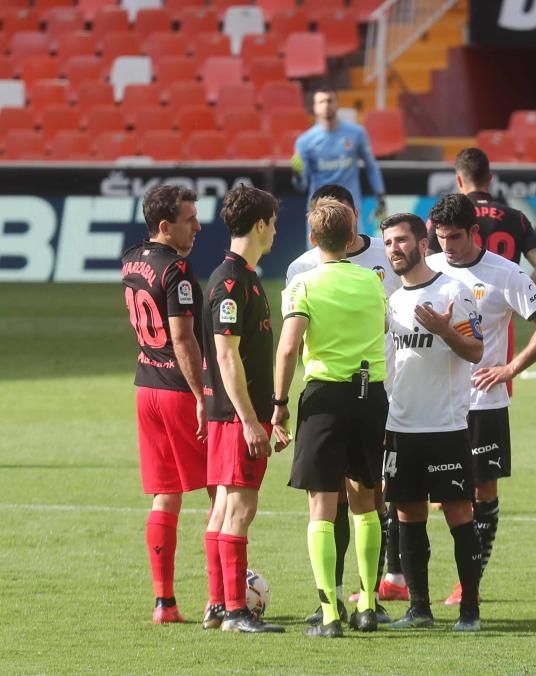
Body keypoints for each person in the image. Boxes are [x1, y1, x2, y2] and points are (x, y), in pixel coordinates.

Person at [426, 193, 536, 605]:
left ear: (473, 232)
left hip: (483, 404)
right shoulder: (428, 268)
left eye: (453, 237)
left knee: (482, 493)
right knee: (418, 495)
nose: (446, 246)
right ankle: (400, 580)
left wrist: (509, 369)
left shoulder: (505, 274)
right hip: (431, 404)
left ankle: (469, 583)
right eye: (440, 237)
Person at [287, 184, 403, 625]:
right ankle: (347, 601)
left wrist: (279, 401)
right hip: (369, 393)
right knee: (357, 500)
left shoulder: (311, 274)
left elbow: (290, 345)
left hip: (336, 393)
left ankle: (341, 606)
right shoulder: (363, 275)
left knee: (342, 499)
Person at [379, 213, 485, 632]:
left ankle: (470, 611)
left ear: (424, 245)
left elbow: (476, 351)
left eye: (402, 241)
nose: (394, 250)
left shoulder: (454, 291)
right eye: (388, 243)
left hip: (445, 427)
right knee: (407, 514)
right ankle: (419, 608)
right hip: (400, 426)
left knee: (459, 513)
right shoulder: (390, 299)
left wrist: (445, 330)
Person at [121, 185, 211, 624]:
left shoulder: (132, 260)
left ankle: (165, 603)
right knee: (221, 490)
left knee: (165, 496)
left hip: (145, 387)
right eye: (189, 218)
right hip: (178, 391)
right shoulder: (176, 270)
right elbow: (183, 339)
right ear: (164, 225)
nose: (197, 225)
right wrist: (201, 397)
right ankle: (224, 597)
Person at [201, 185, 284, 633]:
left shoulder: (237, 277)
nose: (275, 230)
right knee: (239, 510)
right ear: (259, 224)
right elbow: (227, 354)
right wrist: (252, 420)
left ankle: (218, 605)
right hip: (236, 417)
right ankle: (235, 611)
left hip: (228, 414)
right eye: (272, 222)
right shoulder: (233, 282)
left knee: (221, 511)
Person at [429, 147, 536, 285]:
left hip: (461, 300)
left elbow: (425, 264)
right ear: (490, 179)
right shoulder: (517, 218)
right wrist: (524, 296)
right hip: (503, 300)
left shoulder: (447, 217)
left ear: (459, 180)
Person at [292, 88, 386, 222]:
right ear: (314, 107)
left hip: (349, 209)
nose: (326, 105)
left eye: (330, 100)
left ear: (337, 103)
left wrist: (380, 197)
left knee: (355, 243)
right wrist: (297, 174)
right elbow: (301, 187)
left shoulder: (357, 134)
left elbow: (371, 167)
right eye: (321, 102)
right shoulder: (304, 142)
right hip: (320, 212)